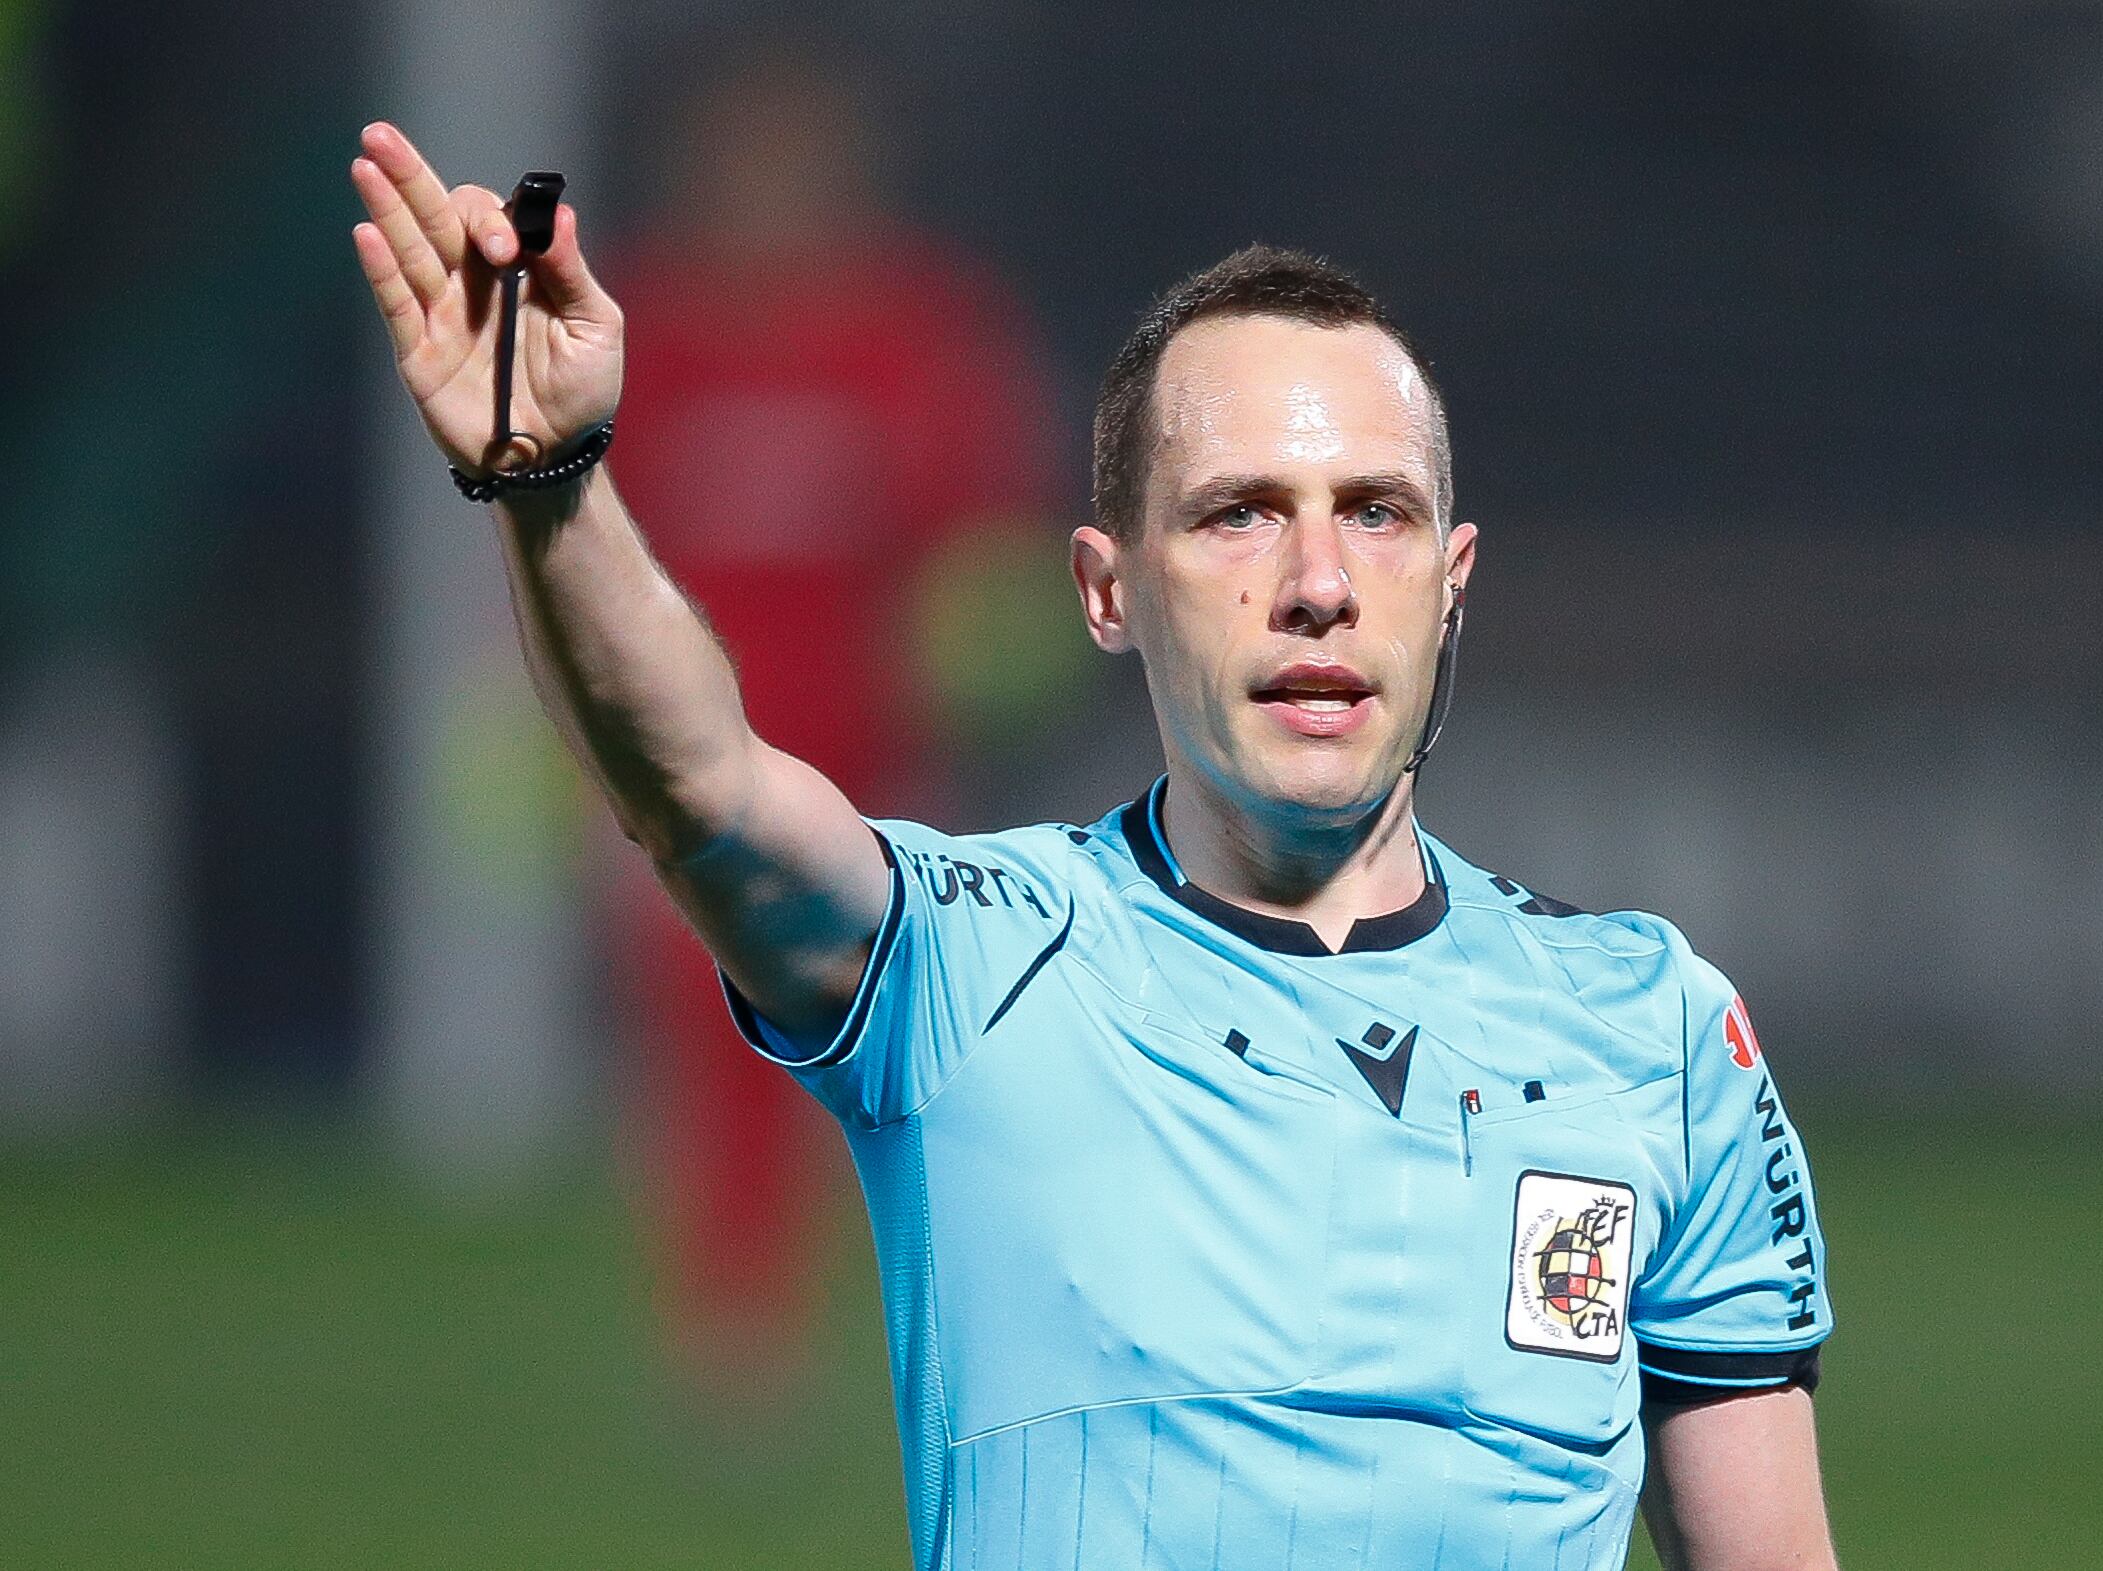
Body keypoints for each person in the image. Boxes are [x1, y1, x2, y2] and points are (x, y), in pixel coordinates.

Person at [349, 120, 1839, 1571]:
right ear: (1106, 589)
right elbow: (699, 788)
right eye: (1238, 516)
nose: (1318, 581)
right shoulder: (973, 958)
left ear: (1450, 584)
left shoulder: (1655, 1031)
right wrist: (549, 485)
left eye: (1374, 514)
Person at [595, 45, 1060, 1407]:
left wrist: (968, 668)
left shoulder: (918, 330)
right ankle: (735, 1334)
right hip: (684, 782)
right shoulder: (640, 333)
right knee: (711, 1040)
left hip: (875, 778)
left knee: (923, 1057)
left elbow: (981, 536)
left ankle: (965, 1324)